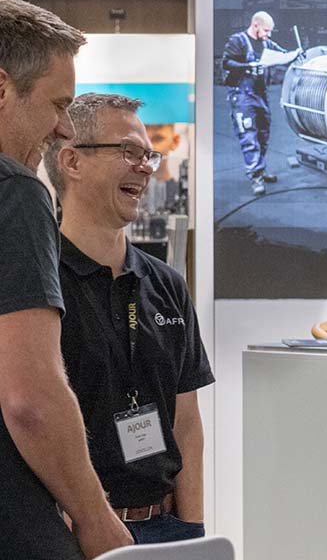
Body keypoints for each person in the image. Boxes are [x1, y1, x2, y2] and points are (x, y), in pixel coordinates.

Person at [43, 93, 215, 543]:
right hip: (74, 534)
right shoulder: (39, 285)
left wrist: (192, 530)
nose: (145, 166)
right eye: (128, 151)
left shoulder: (166, 285)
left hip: (165, 526)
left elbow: (186, 421)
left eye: (148, 155)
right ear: (72, 162)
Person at [0, 0, 134, 559]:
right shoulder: (15, 192)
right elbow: (30, 398)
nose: (63, 129)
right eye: (57, 105)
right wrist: (95, 516)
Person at [222, 10, 289, 196]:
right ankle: (255, 176)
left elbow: (282, 53)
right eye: (266, 30)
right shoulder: (238, 41)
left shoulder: (266, 43)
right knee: (249, 136)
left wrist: (295, 55)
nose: (269, 34)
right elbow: (226, 62)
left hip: (260, 95)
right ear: (255, 25)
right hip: (242, 95)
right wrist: (247, 66)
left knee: (263, 134)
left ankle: (261, 168)